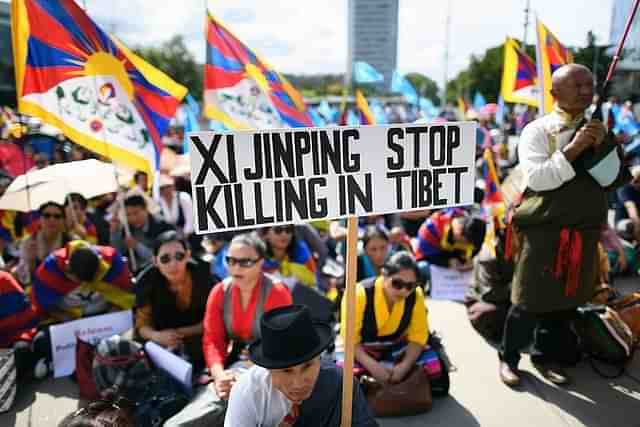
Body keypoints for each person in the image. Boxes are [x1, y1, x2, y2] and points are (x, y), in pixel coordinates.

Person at [499, 64, 619, 387]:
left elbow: (610, 180)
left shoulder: (598, 127)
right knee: (526, 302)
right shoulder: (537, 131)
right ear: (554, 94)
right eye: (577, 85)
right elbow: (538, 178)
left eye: (589, 85)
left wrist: (601, 147)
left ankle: (545, 358)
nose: (585, 90)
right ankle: (508, 359)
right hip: (544, 231)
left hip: (583, 233)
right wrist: (575, 147)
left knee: (564, 304)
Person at [164, 233, 292, 427]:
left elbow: (282, 346)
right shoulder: (219, 292)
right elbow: (212, 340)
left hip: (269, 372)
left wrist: (245, 375)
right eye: (231, 260)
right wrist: (219, 375)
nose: (236, 268)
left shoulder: (277, 292)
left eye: (245, 262)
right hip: (230, 372)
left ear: (260, 263)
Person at [225, 305, 378, 427]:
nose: (298, 383)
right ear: (268, 369)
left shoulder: (342, 385)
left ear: (319, 358)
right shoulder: (248, 392)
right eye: (286, 371)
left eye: (307, 366)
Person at [340, 252, 429, 385]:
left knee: (434, 365)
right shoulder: (359, 293)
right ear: (384, 275)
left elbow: (418, 338)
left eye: (410, 285)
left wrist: (404, 367)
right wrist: (374, 367)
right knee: (342, 374)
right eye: (397, 283)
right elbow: (350, 341)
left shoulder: (416, 295)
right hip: (362, 351)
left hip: (397, 347)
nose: (404, 291)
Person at [135, 231, 217, 370]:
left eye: (179, 256)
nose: (173, 264)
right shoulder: (145, 282)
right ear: (155, 261)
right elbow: (142, 326)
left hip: (201, 338)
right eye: (165, 259)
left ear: (188, 256)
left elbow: (214, 320)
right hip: (162, 344)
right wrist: (157, 336)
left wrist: (178, 333)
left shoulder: (204, 275)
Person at [30, 240, 134, 322]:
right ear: (67, 268)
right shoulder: (49, 270)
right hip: (67, 319)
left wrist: (110, 319)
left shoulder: (112, 260)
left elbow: (125, 295)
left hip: (107, 315)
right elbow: (44, 306)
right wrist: (71, 322)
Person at [109, 193, 174, 271]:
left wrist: (137, 246)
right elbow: (118, 253)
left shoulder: (162, 226)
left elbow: (164, 256)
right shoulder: (126, 229)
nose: (133, 218)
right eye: (128, 215)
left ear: (145, 209)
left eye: (136, 213)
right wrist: (114, 233)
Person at [16, 201, 72, 285]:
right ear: (40, 219)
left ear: (63, 220)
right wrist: (31, 261)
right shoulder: (28, 241)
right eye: (47, 215)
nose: (52, 219)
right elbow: (24, 280)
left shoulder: (71, 241)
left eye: (57, 216)